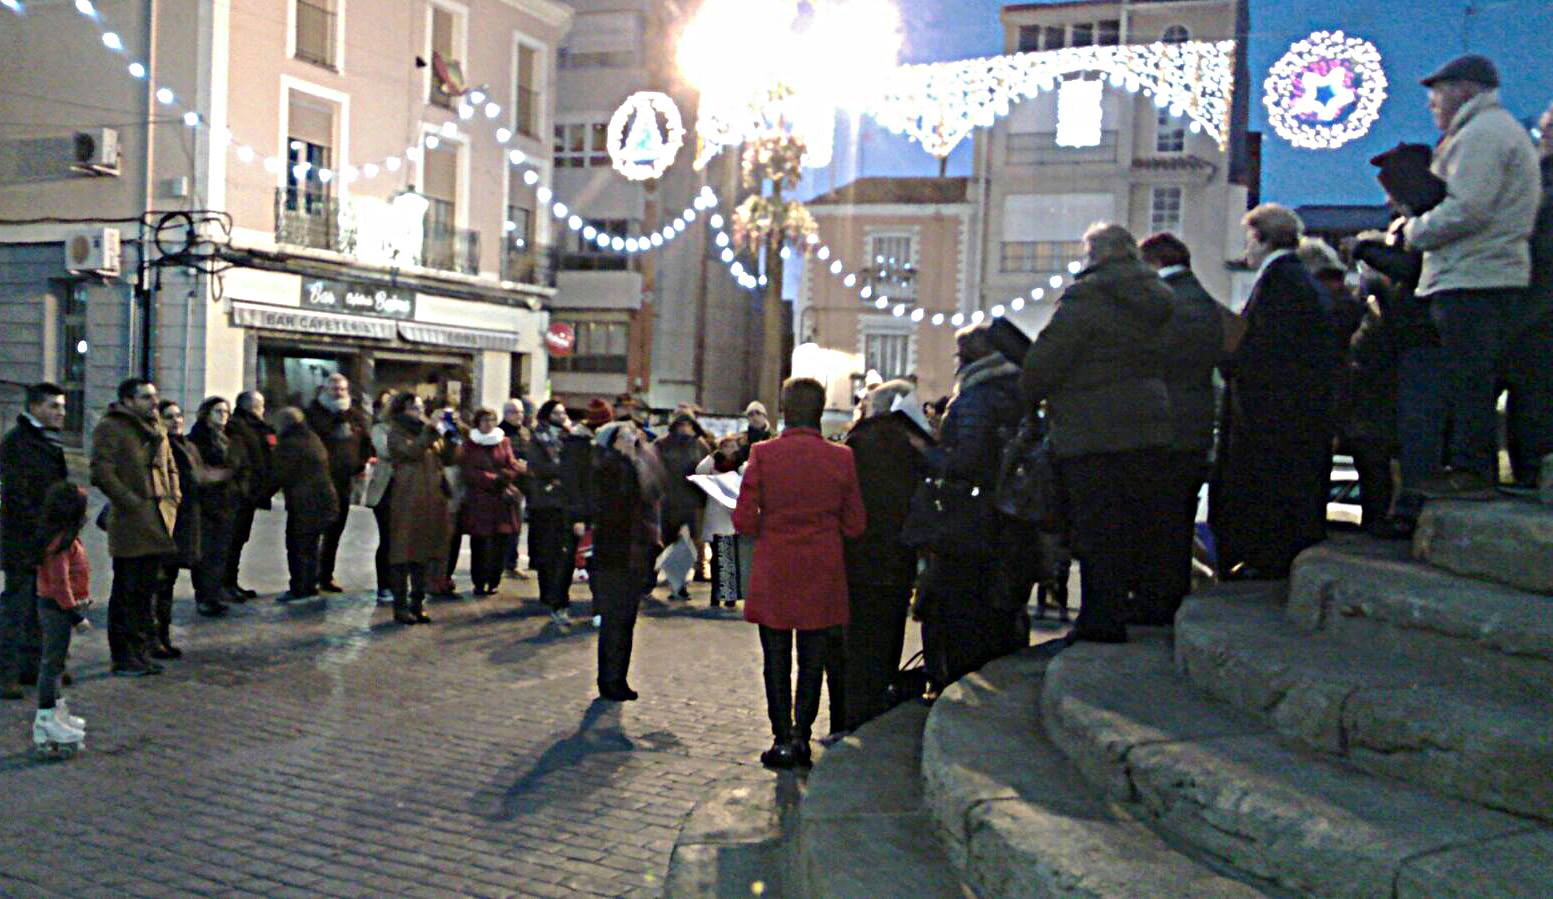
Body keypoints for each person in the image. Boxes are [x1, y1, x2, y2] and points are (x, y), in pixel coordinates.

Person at [1020, 224, 1175, 644]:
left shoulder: (1087, 298)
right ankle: (1139, 604)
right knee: (1137, 524)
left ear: (1097, 256)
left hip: (1093, 430)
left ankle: (1100, 619)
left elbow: (1045, 364)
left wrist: (1030, 384)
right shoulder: (1160, 298)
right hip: (1151, 424)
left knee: (1097, 529)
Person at [1402, 54, 1541, 498]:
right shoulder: (1497, 131)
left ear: (1463, 90)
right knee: (1474, 378)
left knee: (1469, 381)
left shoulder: (1481, 135)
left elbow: (1468, 207)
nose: (1432, 105)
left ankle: (1471, 470)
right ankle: (1472, 468)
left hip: (1473, 276)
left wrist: (1413, 231)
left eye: (1437, 93)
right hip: (1488, 273)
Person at [734, 378, 866, 770]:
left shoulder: (763, 454)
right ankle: (802, 737)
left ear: (784, 409)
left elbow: (743, 521)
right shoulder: (841, 457)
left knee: (776, 658)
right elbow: (856, 523)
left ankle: (780, 737)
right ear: (821, 410)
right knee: (813, 657)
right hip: (822, 569)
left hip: (775, 566)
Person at [1213, 205, 1341, 581]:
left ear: (1259, 237)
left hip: (1272, 414)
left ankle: (1268, 556)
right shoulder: (1300, 279)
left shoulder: (1279, 282)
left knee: (1270, 489)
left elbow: (1265, 351)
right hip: (1297, 411)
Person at [915, 324, 1025, 686]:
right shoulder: (1013, 390)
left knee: (962, 605)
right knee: (994, 606)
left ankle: (958, 676)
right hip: (1002, 516)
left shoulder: (979, 395)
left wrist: (927, 450)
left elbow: (968, 459)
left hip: (970, 519)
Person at [1138, 232, 1226, 625]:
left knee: (1162, 525)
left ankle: (1158, 603)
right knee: (1175, 525)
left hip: (1169, 431)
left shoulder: (1170, 303)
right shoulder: (1201, 300)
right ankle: (1165, 598)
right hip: (1192, 430)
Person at [835, 379, 928, 733]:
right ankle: (878, 718)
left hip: (859, 557)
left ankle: (853, 718)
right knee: (888, 638)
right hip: (899, 558)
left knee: (858, 647)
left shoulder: (859, 443)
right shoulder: (915, 443)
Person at [92, 378, 180, 677]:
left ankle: (141, 652)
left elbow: (169, 466)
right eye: (145, 397)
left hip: (158, 518)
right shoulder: (112, 427)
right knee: (127, 591)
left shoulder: (157, 427)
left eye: (155, 396)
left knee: (146, 591)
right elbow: (102, 472)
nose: (154, 402)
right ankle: (124, 656)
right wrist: (130, 501)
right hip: (132, 521)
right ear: (128, 400)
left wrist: (172, 497)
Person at [583, 421, 665, 702]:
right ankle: (609, 680)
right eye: (627, 433)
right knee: (614, 619)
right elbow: (615, 504)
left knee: (626, 618)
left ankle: (619, 678)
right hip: (616, 551)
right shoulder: (608, 467)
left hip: (635, 552)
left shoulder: (638, 464)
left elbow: (654, 490)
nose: (634, 436)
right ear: (614, 441)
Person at [1, 383, 69, 700]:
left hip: (48, 538)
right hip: (25, 540)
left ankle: (33, 666)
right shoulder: (18, 443)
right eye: (54, 406)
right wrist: (39, 532)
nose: (61, 412)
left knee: (41, 607)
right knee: (18, 606)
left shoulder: (46, 440)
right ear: (35, 407)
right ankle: (7, 674)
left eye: (62, 406)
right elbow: (16, 496)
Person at [1500, 100, 1553, 489]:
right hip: (1532, 307)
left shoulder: (1537, 189)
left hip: (1533, 309)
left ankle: (1530, 476)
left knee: (1532, 399)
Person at [151, 400, 229, 660]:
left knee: (167, 582)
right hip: (169, 521)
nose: (176, 421)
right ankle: (154, 638)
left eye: (179, 415)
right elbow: (188, 479)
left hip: (187, 519)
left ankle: (162, 635)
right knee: (159, 584)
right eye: (169, 417)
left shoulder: (186, 444)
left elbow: (197, 476)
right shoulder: (161, 445)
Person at [31, 483, 93, 759]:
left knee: (57, 662)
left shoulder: (64, 538)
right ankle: (46, 718)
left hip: (59, 608)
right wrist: (75, 614)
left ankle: (57, 711)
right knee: (52, 663)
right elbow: (59, 584)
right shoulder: (60, 543)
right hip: (57, 609)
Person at [385, 393, 455, 625]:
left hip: (431, 498)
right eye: (413, 407)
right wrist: (431, 431)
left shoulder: (429, 430)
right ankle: (400, 606)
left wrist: (453, 432)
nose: (419, 411)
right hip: (407, 498)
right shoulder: (396, 431)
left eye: (420, 406)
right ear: (402, 410)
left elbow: (446, 456)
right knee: (403, 552)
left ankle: (418, 602)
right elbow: (411, 452)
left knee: (424, 553)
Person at [305, 373, 374, 593]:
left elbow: (364, 441)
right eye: (334, 389)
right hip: (319, 480)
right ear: (325, 390)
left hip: (345, 480)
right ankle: (308, 576)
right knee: (315, 529)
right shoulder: (313, 414)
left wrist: (362, 463)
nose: (338, 393)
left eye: (342, 389)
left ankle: (326, 574)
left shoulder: (354, 415)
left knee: (336, 529)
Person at [272, 407, 338, 604]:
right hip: (324, 500)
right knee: (311, 546)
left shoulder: (289, 444)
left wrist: (259, 496)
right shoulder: (311, 437)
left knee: (298, 546)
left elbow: (279, 474)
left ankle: (301, 588)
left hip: (304, 503)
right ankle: (310, 584)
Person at [458, 408, 527, 596]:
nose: (489, 423)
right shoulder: (470, 444)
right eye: (485, 419)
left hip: (502, 500)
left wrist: (506, 476)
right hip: (481, 499)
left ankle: (494, 580)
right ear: (478, 422)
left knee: (501, 541)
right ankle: (479, 581)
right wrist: (493, 479)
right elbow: (469, 471)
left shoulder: (504, 441)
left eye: (492, 419)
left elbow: (512, 464)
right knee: (480, 542)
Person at [188, 397, 245, 616]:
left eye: (226, 411)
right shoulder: (197, 439)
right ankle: (204, 595)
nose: (223, 415)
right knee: (206, 552)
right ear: (206, 413)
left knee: (222, 551)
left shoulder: (230, 438)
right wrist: (222, 475)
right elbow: (200, 472)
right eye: (218, 411)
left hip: (228, 502)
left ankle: (215, 592)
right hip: (207, 503)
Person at [525, 400, 578, 625]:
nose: (561, 416)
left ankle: (559, 592)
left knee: (563, 550)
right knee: (547, 549)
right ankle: (547, 592)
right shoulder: (538, 437)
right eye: (557, 412)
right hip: (545, 501)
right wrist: (563, 471)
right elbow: (539, 467)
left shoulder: (570, 435)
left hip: (564, 501)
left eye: (563, 412)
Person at [224, 391, 275, 601]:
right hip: (241, 495)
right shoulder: (239, 428)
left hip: (249, 495)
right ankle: (224, 583)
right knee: (231, 540)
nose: (263, 410)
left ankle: (230, 582)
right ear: (254, 407)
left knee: (238, 540)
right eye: (261, 405)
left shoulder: (255, 427)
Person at [654, 414, 710, 599]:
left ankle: (679, 585)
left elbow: (707, 471)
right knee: (666, 544)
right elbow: (654, 470)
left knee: (687, 546)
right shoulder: (662, 445)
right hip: (668, 503)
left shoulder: (700, 446)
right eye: (681, 425)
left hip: (691, 503)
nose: (685, 428)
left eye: (688, 425)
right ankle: (659, 580)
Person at [695, 434, 748, 610]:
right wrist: (713, 455)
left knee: (730, 558)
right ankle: (717, 596)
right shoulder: (713, 464)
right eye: (728, 446)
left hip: (731, 517)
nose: (732, 449)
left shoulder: (740, 465)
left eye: (733, 446)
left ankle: (729, 596)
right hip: (716, 516)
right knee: (718, 560)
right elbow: (699, 470)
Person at [364, 390, 397, 604]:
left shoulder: (414, 430)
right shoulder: (380, 429)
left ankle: (399, 583)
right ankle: (384, 585)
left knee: (401, 539)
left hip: (407, 490)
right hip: (385, 491)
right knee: (387, 538)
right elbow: (385, 451)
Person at [498, 398, 534, 579]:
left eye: (520, 412)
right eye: (514, 411)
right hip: (506, 484)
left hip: (525, 482)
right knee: (506, 527)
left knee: (517, 527)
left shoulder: (526, 432)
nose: (518, 415)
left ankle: (511, 563)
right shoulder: (499, 432)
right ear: (505, 413)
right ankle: (503, 563)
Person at [735, 401, 772, 466]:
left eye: (758, 413)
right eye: (751, 414)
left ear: (764, 416)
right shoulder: (741, 439)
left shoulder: (774, 437)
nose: (754, 417)